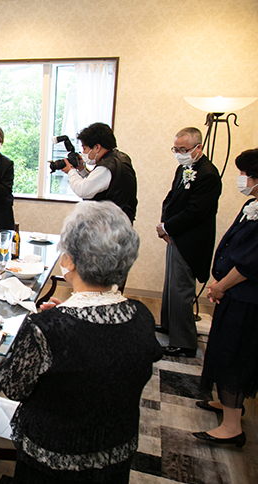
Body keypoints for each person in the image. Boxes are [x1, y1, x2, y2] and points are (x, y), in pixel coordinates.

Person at [0, 201, 163, 484]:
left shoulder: (46, 329)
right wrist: (61, 317)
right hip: (115, 455)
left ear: (70, 261)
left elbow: (12, 387)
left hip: (52, 462)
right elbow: (106, 356)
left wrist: (50, 323)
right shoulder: (143, 317)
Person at [192, 149, 258, 449]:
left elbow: (250, 262)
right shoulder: (251, 204)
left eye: (244, 174)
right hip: (232, 291)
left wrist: (221, 286)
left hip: (246, 297)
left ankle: (232, 427)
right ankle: (228, 404)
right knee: (222, 348)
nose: (241, 179)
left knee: (234, 354)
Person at [156, 127, 222, 357]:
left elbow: (195, 212)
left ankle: (184, 343)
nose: (179, 154)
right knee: (170, 286)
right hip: (175, 234)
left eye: (183, 149)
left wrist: (168, 227)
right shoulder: (184, 168)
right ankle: (168, 325)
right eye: (176, 149)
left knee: (181, 289)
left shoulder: (208, 174)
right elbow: (171, 198)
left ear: (198, 147)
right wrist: (164, 225)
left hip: (190, 239)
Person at [61, 122, 138, 223]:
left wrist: (70, 171)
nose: (83, 153)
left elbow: (82, 190)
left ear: (97, 147)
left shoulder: (106, 167)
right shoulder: (120, 158)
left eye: (84, 148)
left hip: (110, 225)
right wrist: (81, 169)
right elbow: (97, 183)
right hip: (121, 222)